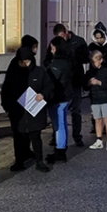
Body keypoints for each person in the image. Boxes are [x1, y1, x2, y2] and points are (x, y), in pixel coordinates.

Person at [1, 48, 52, 173]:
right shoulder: (14, 73)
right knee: (18, 137)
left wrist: (43, 94)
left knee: (36, 136)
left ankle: (39, 161)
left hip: (35, 110)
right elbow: (6, 91)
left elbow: (50, 86)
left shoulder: (40, 72)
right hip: (17, 111)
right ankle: (19, 161)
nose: (25, 64)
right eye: (22, 61)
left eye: (27, 61)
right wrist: (7, 107)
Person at [45, 24, 89, 147]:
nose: (62, 39)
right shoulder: (55, 43)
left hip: (75, 81)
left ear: (66, 31)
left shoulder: (79, 41)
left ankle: (77, 136)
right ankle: (56, 136)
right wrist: (53, 67)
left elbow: (87, 58)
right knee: (59, 114)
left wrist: (74, 58)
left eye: (62, 36)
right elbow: (47, 59)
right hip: (60, 83)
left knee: (76, 110)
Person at [45, 36, 73, 164]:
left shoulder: (56, 64)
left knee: (58, 125)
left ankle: (60, 150)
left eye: (52, 48)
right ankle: (62, 146)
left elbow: (51, 81)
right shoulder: (68, 61)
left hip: (58, 98)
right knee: (62, 123)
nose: (51, 50)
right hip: (66, 96)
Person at [88, 23, 107, 134]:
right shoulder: (92, 46)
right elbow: (89, 60)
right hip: (95, 74)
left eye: (101, 37)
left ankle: (106, 125)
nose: (99, 40)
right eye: (97, 38)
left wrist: (103, 59)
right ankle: (95, 124)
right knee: (94, 101)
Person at [85, 51, 107, 152]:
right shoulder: (89, 73)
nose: (93, 64)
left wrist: (99, 82)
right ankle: (99, 140)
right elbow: (85, 87)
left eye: (95, 61)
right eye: (92, 62)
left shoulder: (106, 71)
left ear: (101, 60)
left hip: (105, 99)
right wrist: (88, 83)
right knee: (97, 119)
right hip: (95, 99)